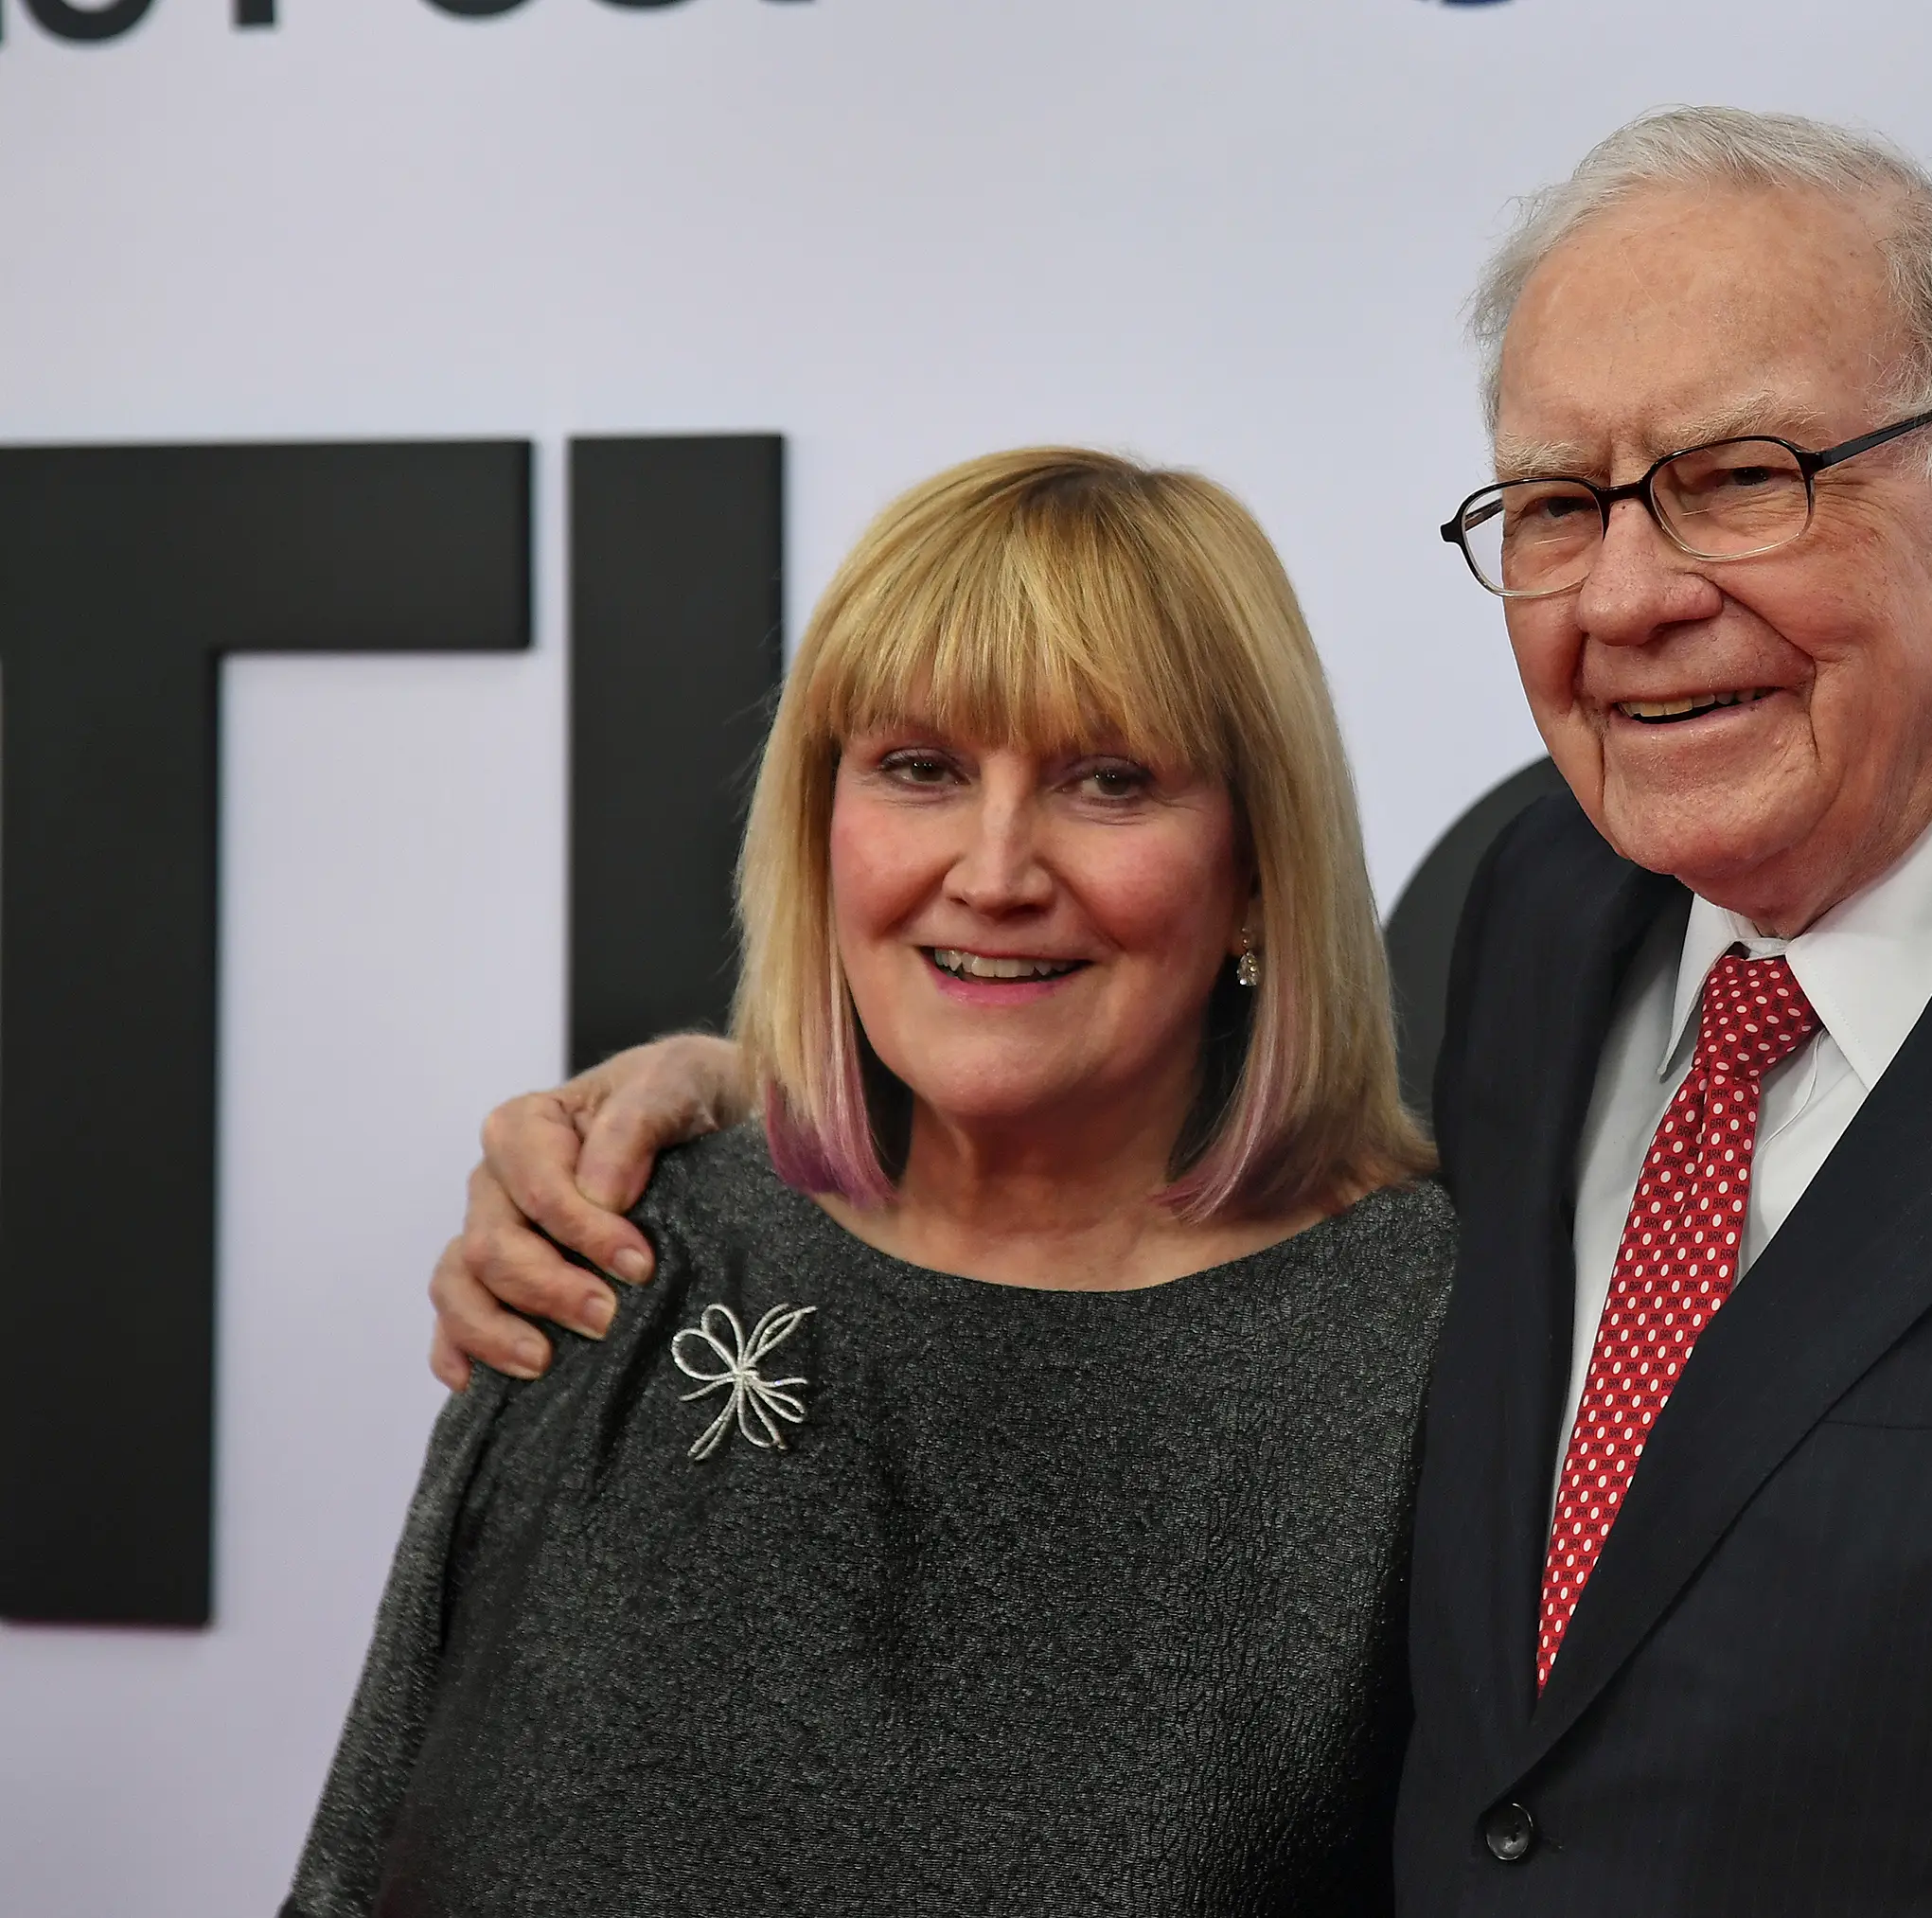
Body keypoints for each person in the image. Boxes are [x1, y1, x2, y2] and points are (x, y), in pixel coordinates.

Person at [426, 111, 1932, 1914]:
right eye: (1552, 502)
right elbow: (1139, 1091)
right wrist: (730, 1102)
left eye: (1738, 479)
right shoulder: (1552, 899)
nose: (1631, 594)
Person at [288, 448, 1445, 1918]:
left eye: (1109, 779)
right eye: (921, 768)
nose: (996, 868)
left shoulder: (1431, 1347)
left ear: (1262, 868)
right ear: (822, 824)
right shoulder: (624, 1246)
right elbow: (364, 1865)